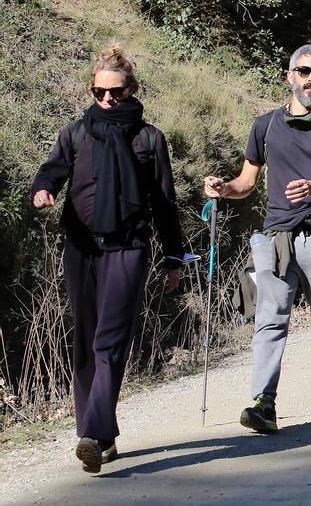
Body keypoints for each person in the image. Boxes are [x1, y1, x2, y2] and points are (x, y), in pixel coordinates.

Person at [31, 43, 185, 474]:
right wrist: (43, 191)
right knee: (85, 340)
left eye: (115, 93)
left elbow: (164, 201)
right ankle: (101, 436)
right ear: (92, 90)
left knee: (109, 341)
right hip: (81, 247)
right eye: (99, 93)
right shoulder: (76, 132)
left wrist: (174, 257)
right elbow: (52, 170)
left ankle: (91, 434)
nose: (107, 101)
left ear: (131, 90)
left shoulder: (149, 138)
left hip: (129, 247)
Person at [203, 44, 311, 433]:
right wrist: (224, 188)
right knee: (270, 320)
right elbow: (247, 182)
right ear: (289, 75)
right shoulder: (265, 125)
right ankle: (263, 403)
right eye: (305, 71)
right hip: (276, 235)